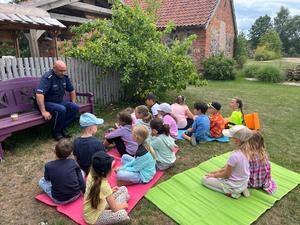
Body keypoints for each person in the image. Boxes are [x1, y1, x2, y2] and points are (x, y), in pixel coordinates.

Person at [201, 125, 253, 199]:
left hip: (233, 184)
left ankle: (232, 192)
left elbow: (226, 175)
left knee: (204, 179)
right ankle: (242, 189)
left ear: (236, 140)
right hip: (243, 182)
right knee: (219, 173)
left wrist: (213, 176)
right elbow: (230, 169)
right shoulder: (247, 151)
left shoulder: (234, 156)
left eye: (230, 137)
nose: (229, 138)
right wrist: (215, 172)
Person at [35, 60, 79, 141]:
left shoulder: (64, 77)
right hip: (47, 102)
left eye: (64, 70)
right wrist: (43, 111)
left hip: (58, 101)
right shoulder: (47, 77)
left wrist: (73, 102)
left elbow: (72, 90)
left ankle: (62, 127)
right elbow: (39, 94)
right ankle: (56, 132)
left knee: (75, 107)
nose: (63, 73)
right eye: (60, 70)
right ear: (54, 68)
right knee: (61, 109)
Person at [84, 151, 130, 225]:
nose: (113, 169)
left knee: (123, 189)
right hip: (94, 217)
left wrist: (110, 192)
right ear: (104, 172)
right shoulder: (104, 186)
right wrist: (123, 205)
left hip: (100, 202)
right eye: (111, 168)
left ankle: (116, 202)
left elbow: (98, 192)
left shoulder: (92, 173)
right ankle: (119, 203)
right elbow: (115, 209)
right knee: (122, 214)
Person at [39, 139, 85, 204]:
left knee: (41, 181)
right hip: (76, 195)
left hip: (60, 200)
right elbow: (81, 182)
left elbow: (47, 179)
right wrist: (84, 193)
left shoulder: (49, 166)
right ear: (69, 153)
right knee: (81, 172)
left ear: (55, 151)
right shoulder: (73, 162)